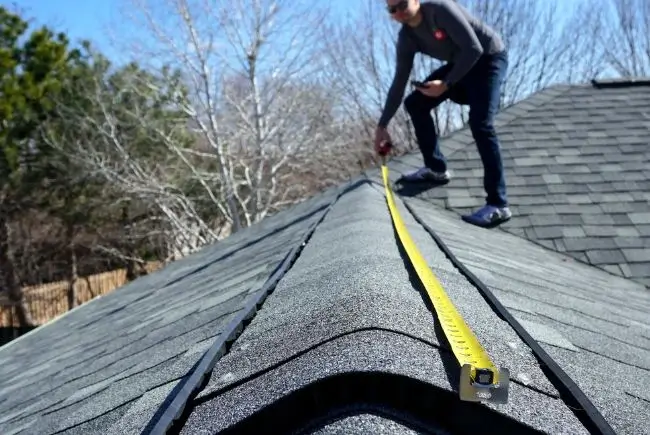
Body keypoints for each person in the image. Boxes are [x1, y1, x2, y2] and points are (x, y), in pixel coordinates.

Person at [375, 0, 511, 228]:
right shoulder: (407, 38)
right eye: (392, 10)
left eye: (402, 4)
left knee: (481, 123)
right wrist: (382, 126)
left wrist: (447, 84)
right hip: (461, 65)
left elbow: (474, 48)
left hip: (488, 59)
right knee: (415, 103)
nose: (398, 12)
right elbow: (399, 82)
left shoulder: (440, 10)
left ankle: (498, 204)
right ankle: (436, 169)